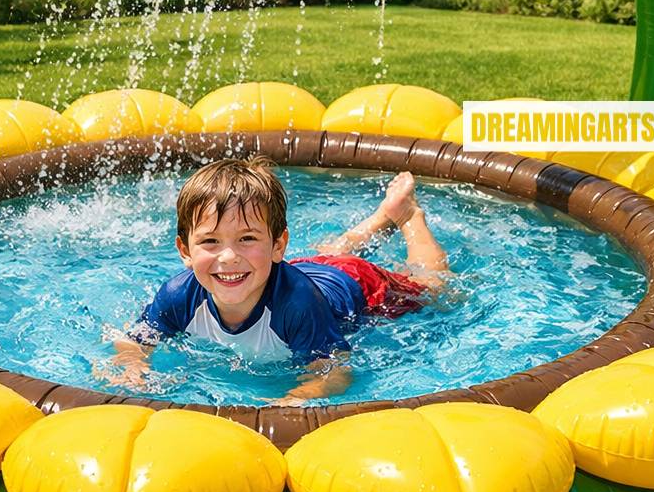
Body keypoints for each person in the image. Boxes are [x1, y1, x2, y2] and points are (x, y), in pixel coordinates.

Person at [104, 156, 449, 405]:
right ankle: (380, 217)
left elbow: (333, 372)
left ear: (277, 245)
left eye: (247, 239)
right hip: (295, 268)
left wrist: (294, 398)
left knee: (434, 288)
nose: (228, 257)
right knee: (327, 252)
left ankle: (406, 217)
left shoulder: (296, 305)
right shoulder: (179, 294)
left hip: (356, 284)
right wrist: (133, 368)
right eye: (210, 242)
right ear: (185, 250)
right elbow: (134, 340)